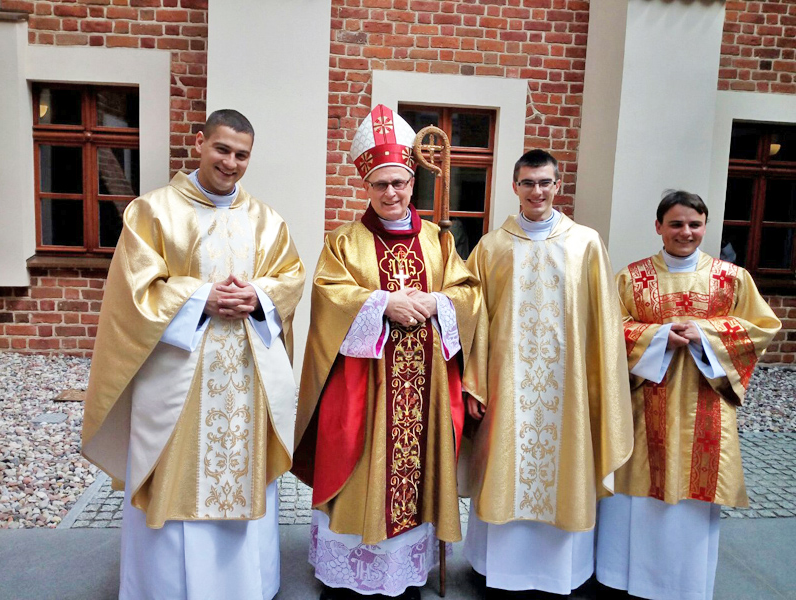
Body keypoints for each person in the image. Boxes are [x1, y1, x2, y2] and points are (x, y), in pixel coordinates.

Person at [82, 109, 305, 600]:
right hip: (178, 378)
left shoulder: (267, 220)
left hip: (245, 381)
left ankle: (245, 588)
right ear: (199, 142)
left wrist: (260, 296)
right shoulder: (153, 212)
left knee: (240, 476)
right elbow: (133, 291)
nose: (231, 163)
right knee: (176, 475)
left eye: (242, 155)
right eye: (222, 149)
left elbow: (291, 277)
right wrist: (199, 298)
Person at [292, 104, 481, 600]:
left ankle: (403, 574)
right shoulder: (345, 242)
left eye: (399, 183)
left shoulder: (440, 241)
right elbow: (328, 294)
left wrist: (438, 301)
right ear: (366, 187)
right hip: (366, 387)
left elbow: (468, 293)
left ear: (412, 180)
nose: (392, 194)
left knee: (415, 476)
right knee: (358, 465)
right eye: (381, 185)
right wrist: (382, 304)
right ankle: (350, 577)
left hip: (424, 390)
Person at [462, 149, 634, 595]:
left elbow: (604, 325)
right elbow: (473, 321)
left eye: (545, 183)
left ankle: (562, 573)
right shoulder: (492, 246)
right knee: (504, 466)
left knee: (565, 467)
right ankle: (496, 570)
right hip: (507, 385)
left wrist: (599, 388)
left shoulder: (585, 243)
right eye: (527, 183)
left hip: (568, 390)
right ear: (514, 187)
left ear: (558, 186)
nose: (536, 191)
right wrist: (474, 382)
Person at [596, 190, 781, 600]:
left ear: (704, 226)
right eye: (676, 224)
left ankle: (685, 585)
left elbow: (762, 326)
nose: (686, 232)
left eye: (694, 224)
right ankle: (625, 580)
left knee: (693, 499)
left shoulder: (731, 278)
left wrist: (706, 334)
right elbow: (608, 329)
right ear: (659, 226)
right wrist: (658, 336)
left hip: (705, 404)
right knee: (636, 490)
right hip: (644, 404)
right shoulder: (633, 276)